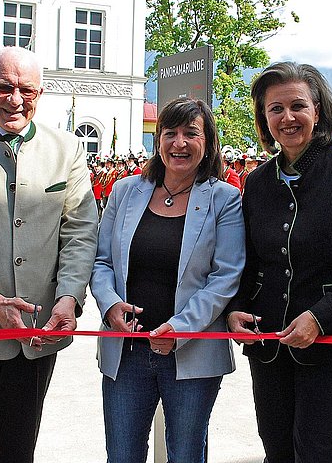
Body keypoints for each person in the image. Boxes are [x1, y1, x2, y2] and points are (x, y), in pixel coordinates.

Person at [226, 62, 332, 463]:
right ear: (264, 119)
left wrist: (320, 317)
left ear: (318, 110)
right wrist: (235, 310)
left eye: (298, 105)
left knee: (315, 453)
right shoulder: (257, 181)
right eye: (275, 109)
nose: (287, 118)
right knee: (276, 450)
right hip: (268, 342)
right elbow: (247, 261)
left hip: (331, 342)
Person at [90, 97, 245, 463]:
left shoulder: (225, 199)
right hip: (126, 353)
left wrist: (180, 327)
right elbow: (101, 262)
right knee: (122, 455)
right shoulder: (126, 190)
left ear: (208, 143)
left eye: (191, 133)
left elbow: (226, 276)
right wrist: (110, 304)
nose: (179, 143)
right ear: (158, 139)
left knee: (187, 455)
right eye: (170, 133)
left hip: (192, 355)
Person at [0, 46, 98, 463]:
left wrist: (68, 297)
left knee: (18, 450)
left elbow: (80, 232)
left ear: (40, 93)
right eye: (4, 87)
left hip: (36, 331)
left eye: (25, 89)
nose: (14, 99)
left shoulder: (67, 150)